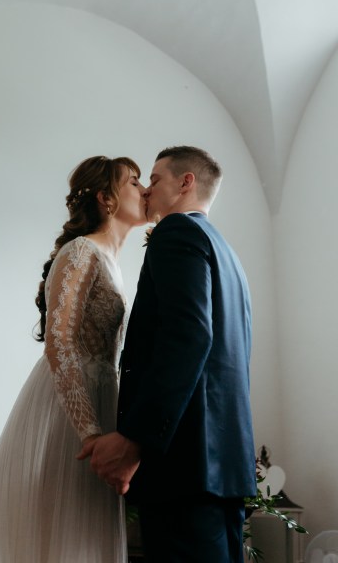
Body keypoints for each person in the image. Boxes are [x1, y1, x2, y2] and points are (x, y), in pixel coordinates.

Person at [0, 155, 146, 563]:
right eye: (134, 182)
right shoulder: (81, 251)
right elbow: (60, 342)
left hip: (103, 399)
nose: (144, 189)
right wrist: (88, 431)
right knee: (58, 528)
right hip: (71, 407)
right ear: (106, 198)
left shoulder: (114, 262)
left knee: (83, 533)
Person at [79, 146, 257, 562]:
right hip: (222, 467)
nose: (147, 190)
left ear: (186, 182)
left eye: (155, 179)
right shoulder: (228, 256)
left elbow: (187, 337)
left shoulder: (176, 233)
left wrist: (135, 440)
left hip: (185, 467)